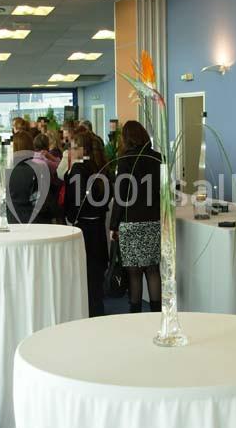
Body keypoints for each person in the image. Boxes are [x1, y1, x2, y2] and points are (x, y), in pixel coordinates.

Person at [110, 121, 163, 313]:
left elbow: (120, 196)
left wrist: (113, 225)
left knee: (134, 273)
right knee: (152, 269)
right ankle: (157, 313)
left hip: (131, 221)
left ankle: (135, 314)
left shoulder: (125, 160)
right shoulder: (159, 158)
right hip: (153, 221)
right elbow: (165, 191)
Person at [65, 131, 111, 317]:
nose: (70, 150)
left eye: (73, 147)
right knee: (96, 279)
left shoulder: (78, 170)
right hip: (99, 227)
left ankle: (88, 316)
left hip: (84, 229)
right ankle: (97, 313)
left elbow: (73, 202)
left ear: (82, 149)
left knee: (85, 279)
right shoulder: (101, 166)